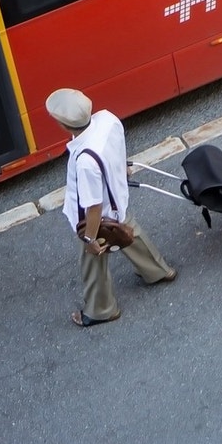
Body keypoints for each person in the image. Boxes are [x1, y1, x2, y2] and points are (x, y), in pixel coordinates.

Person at [44, 88, 176, 328]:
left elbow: (93, 207)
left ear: (64, 125)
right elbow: (119, 147)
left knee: (93, 259)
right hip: (117, 198)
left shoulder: (85, 161)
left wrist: (89, 237)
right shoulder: (107, 118)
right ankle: (158, 271)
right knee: (127, 231)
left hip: (99, 217)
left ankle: (101, 310)